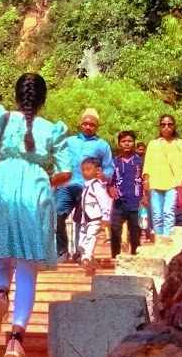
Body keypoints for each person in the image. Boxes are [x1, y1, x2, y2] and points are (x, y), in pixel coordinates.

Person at [0, 73, 72, 357]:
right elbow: (66, 173)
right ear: (42, 101)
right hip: (35, 191)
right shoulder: (53, 129)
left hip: (0, 184)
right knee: (28, 265)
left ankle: (1, 293)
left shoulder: (0, 117)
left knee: (3, 256)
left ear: (16, 96)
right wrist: (45, 182)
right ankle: (16, 340)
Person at [55, 108, 115, 261]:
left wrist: (105, 175)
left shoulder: (102, 146)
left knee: (82, 221)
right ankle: (62, 250)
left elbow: (109, 166)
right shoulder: (69, 142)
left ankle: (80, 253)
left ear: (97, 127)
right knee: (56, 214)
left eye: (92, 125)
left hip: (88, 188)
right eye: (85, 123)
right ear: (81, 124)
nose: (88, 127)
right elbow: (59, 158)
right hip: (67, 186)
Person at [143, 114, 182, 240]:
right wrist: (146, 179)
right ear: (159, 127)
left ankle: (167, 239)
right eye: (163, 125)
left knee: (168, 212)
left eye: (169, 125)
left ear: (174, 126)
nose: (166, 127)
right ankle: (159, 240)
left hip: (172, 184)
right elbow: (148, 163)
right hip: (155, 182)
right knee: (157, 215)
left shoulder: (180, 143)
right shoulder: (153, 144)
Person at [108, 130, 145, 257]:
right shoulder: (113, 162)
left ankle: (135, 257)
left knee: (135, 232)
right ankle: (115, 257)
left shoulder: (141, 161)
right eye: (124, 141)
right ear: (119, 144)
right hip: (119, 203)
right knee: (114, 230)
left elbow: (147, 180)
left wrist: (146, 196)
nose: (127, 144)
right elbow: (108, 181)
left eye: (129, 141)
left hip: (136, 203)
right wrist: (110, 188)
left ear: (134, 143)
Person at [73, 157, 112, 267]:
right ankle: (89, 259)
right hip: (85, 218)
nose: (85, 172)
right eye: (83, 170)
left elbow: (104, 201)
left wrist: (105, 216)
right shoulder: (86, 186)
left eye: (88, 169)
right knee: (81, 239)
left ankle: (86, 258)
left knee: (91, 237)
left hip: (95, 217)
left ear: (97, 170)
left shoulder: (97, 185)